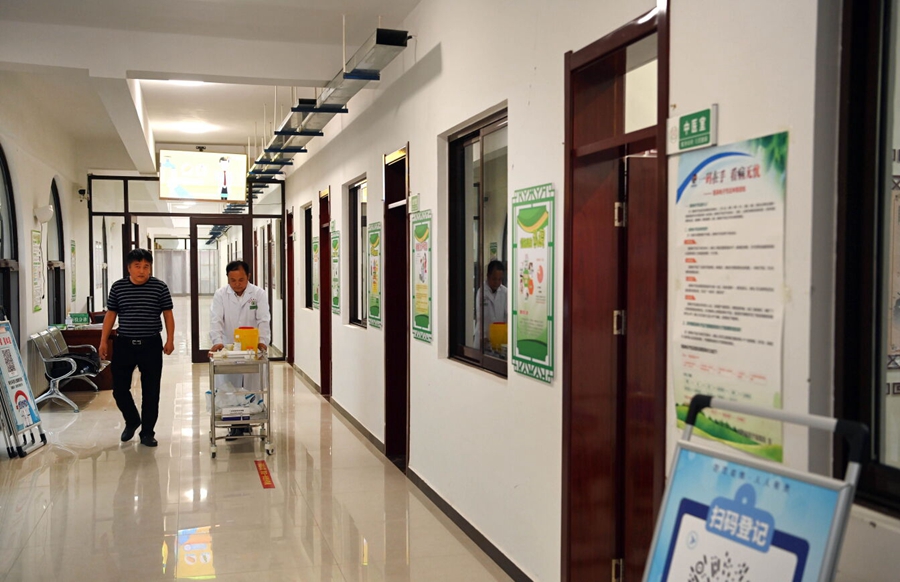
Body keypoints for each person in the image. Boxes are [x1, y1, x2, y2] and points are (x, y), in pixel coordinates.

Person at [100, 248, 175, 448]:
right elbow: (110, 315)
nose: (142, 271)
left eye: (146, 266)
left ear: (150, 268)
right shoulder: (118, 287)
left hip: (151, 344)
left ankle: (147, 432)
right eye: (137, 266)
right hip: (124, 344)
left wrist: (170, 339)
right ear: (129, 268)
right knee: (119, 389)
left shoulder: (159, 287)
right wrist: (103, 340)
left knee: (151, 391)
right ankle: (132, 419)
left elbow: (168, 314)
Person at [207, 260, 271, 438]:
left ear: (248, 276)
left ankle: (248, 421)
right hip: (229, 348)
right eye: (233, 280)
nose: (237, 284)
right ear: (227, 278)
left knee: (252, 387)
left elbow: (263, 320)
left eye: (241, 280)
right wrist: (218, 342)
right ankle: (235, 424)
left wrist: (262, 341)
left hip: (252, 348)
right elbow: (216, 320)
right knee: (230, 388)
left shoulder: (258, 294)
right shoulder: (221, 295)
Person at [474, 259, 508, 353]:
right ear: (488, 276)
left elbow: (507, 316)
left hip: (499, 340)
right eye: (494, 279)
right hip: (483, 340)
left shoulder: (505, 292)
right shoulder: (481, 292)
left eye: (500, 279)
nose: (497, 282)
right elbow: (480, 317)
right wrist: (483, 336)